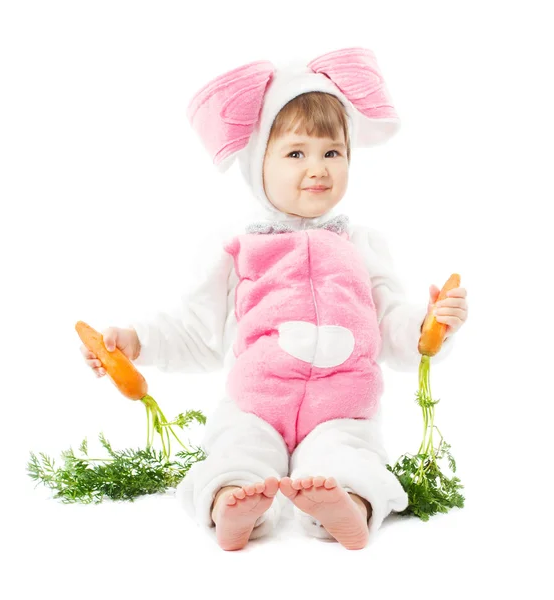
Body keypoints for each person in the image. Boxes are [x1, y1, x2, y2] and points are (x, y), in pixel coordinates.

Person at [80, 47, 468, 551]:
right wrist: (137, 341)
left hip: (342, 405)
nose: (318, 169)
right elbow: (196, 330)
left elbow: (390, 320)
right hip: (257, 401)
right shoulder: (239, 251)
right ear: (256, 162)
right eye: (295, 153)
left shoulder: (362, 245)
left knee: (350, 454)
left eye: (332, 152)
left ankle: (346, 505)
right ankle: (232, 503)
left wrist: (428, 325)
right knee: (236, 447)